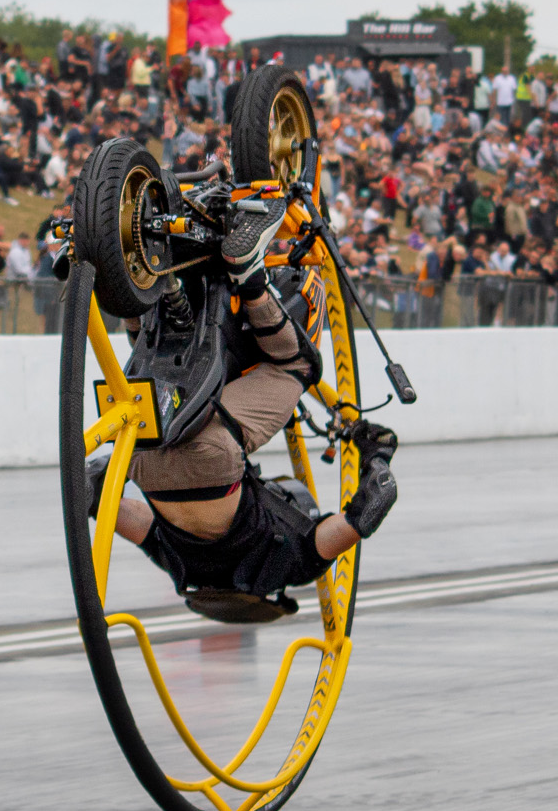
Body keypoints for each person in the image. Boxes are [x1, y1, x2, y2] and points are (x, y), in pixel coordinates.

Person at [95, 208, 400, 622]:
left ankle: (250, 281)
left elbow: (366, 512)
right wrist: (106, 471)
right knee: (152, 369)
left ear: (267, 598)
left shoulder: (287, 568)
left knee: (296, 367)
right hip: (142, 458)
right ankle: (125, 283)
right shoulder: (177, 567)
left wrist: (377, 455)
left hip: (215, 461)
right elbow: (106, 503)